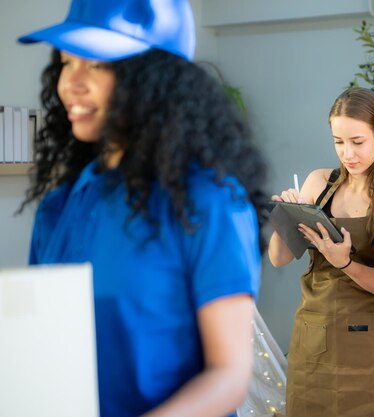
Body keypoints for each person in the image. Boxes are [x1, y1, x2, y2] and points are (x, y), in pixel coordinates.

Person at [18, 1, 268, 416]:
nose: (71, 84)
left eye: (96, 65)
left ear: (155, 78)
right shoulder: (59, 207)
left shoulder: (207, 201)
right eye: (66, 61)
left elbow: (228, 374)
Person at [269, 87, 374, 417]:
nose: (347, 153)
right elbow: (279, 258)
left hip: (368, 346)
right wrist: (286, 217)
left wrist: (344, 262)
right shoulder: (319, 182)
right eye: (338, 142)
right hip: (313, 339)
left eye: (357, 142)